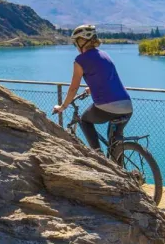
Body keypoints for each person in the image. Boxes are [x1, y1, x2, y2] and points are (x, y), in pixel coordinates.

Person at [53, 24, 133, 154]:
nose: (76, 46)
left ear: (81, 41)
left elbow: (73, 88)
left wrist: (62, 107)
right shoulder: (104, 54)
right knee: (114, 144)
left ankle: (98, 156)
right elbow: (107, 78)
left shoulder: (80, 60)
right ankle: (118, 167)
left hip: (108, 106)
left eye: (76, 42)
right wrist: (91, 88)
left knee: (84, 120)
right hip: (127, 106)